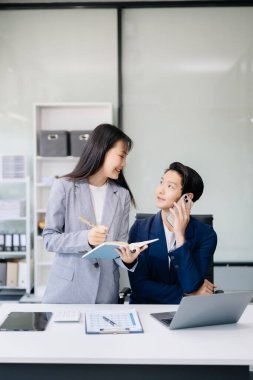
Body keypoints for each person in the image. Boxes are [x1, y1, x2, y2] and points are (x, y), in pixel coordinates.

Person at [42, 124, 146, 304]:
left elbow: (120, 244)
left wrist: (127, 259)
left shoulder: (122, 195)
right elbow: (49, 239)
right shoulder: (64, 187)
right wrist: (86, 239)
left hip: (105, 294)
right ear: (102, 150)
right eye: (121, 156)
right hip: (67, 293)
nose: (124, 164)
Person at [128, 162, 217, 304]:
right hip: (145, 309)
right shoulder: (140, 229)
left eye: (170, 186)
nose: (160, 191)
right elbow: (140, 286)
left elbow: (191, 285)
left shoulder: (206, 235)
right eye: (161, 182)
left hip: (185, 313)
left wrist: (180, 236)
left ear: (187, 197)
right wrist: (185, 295)